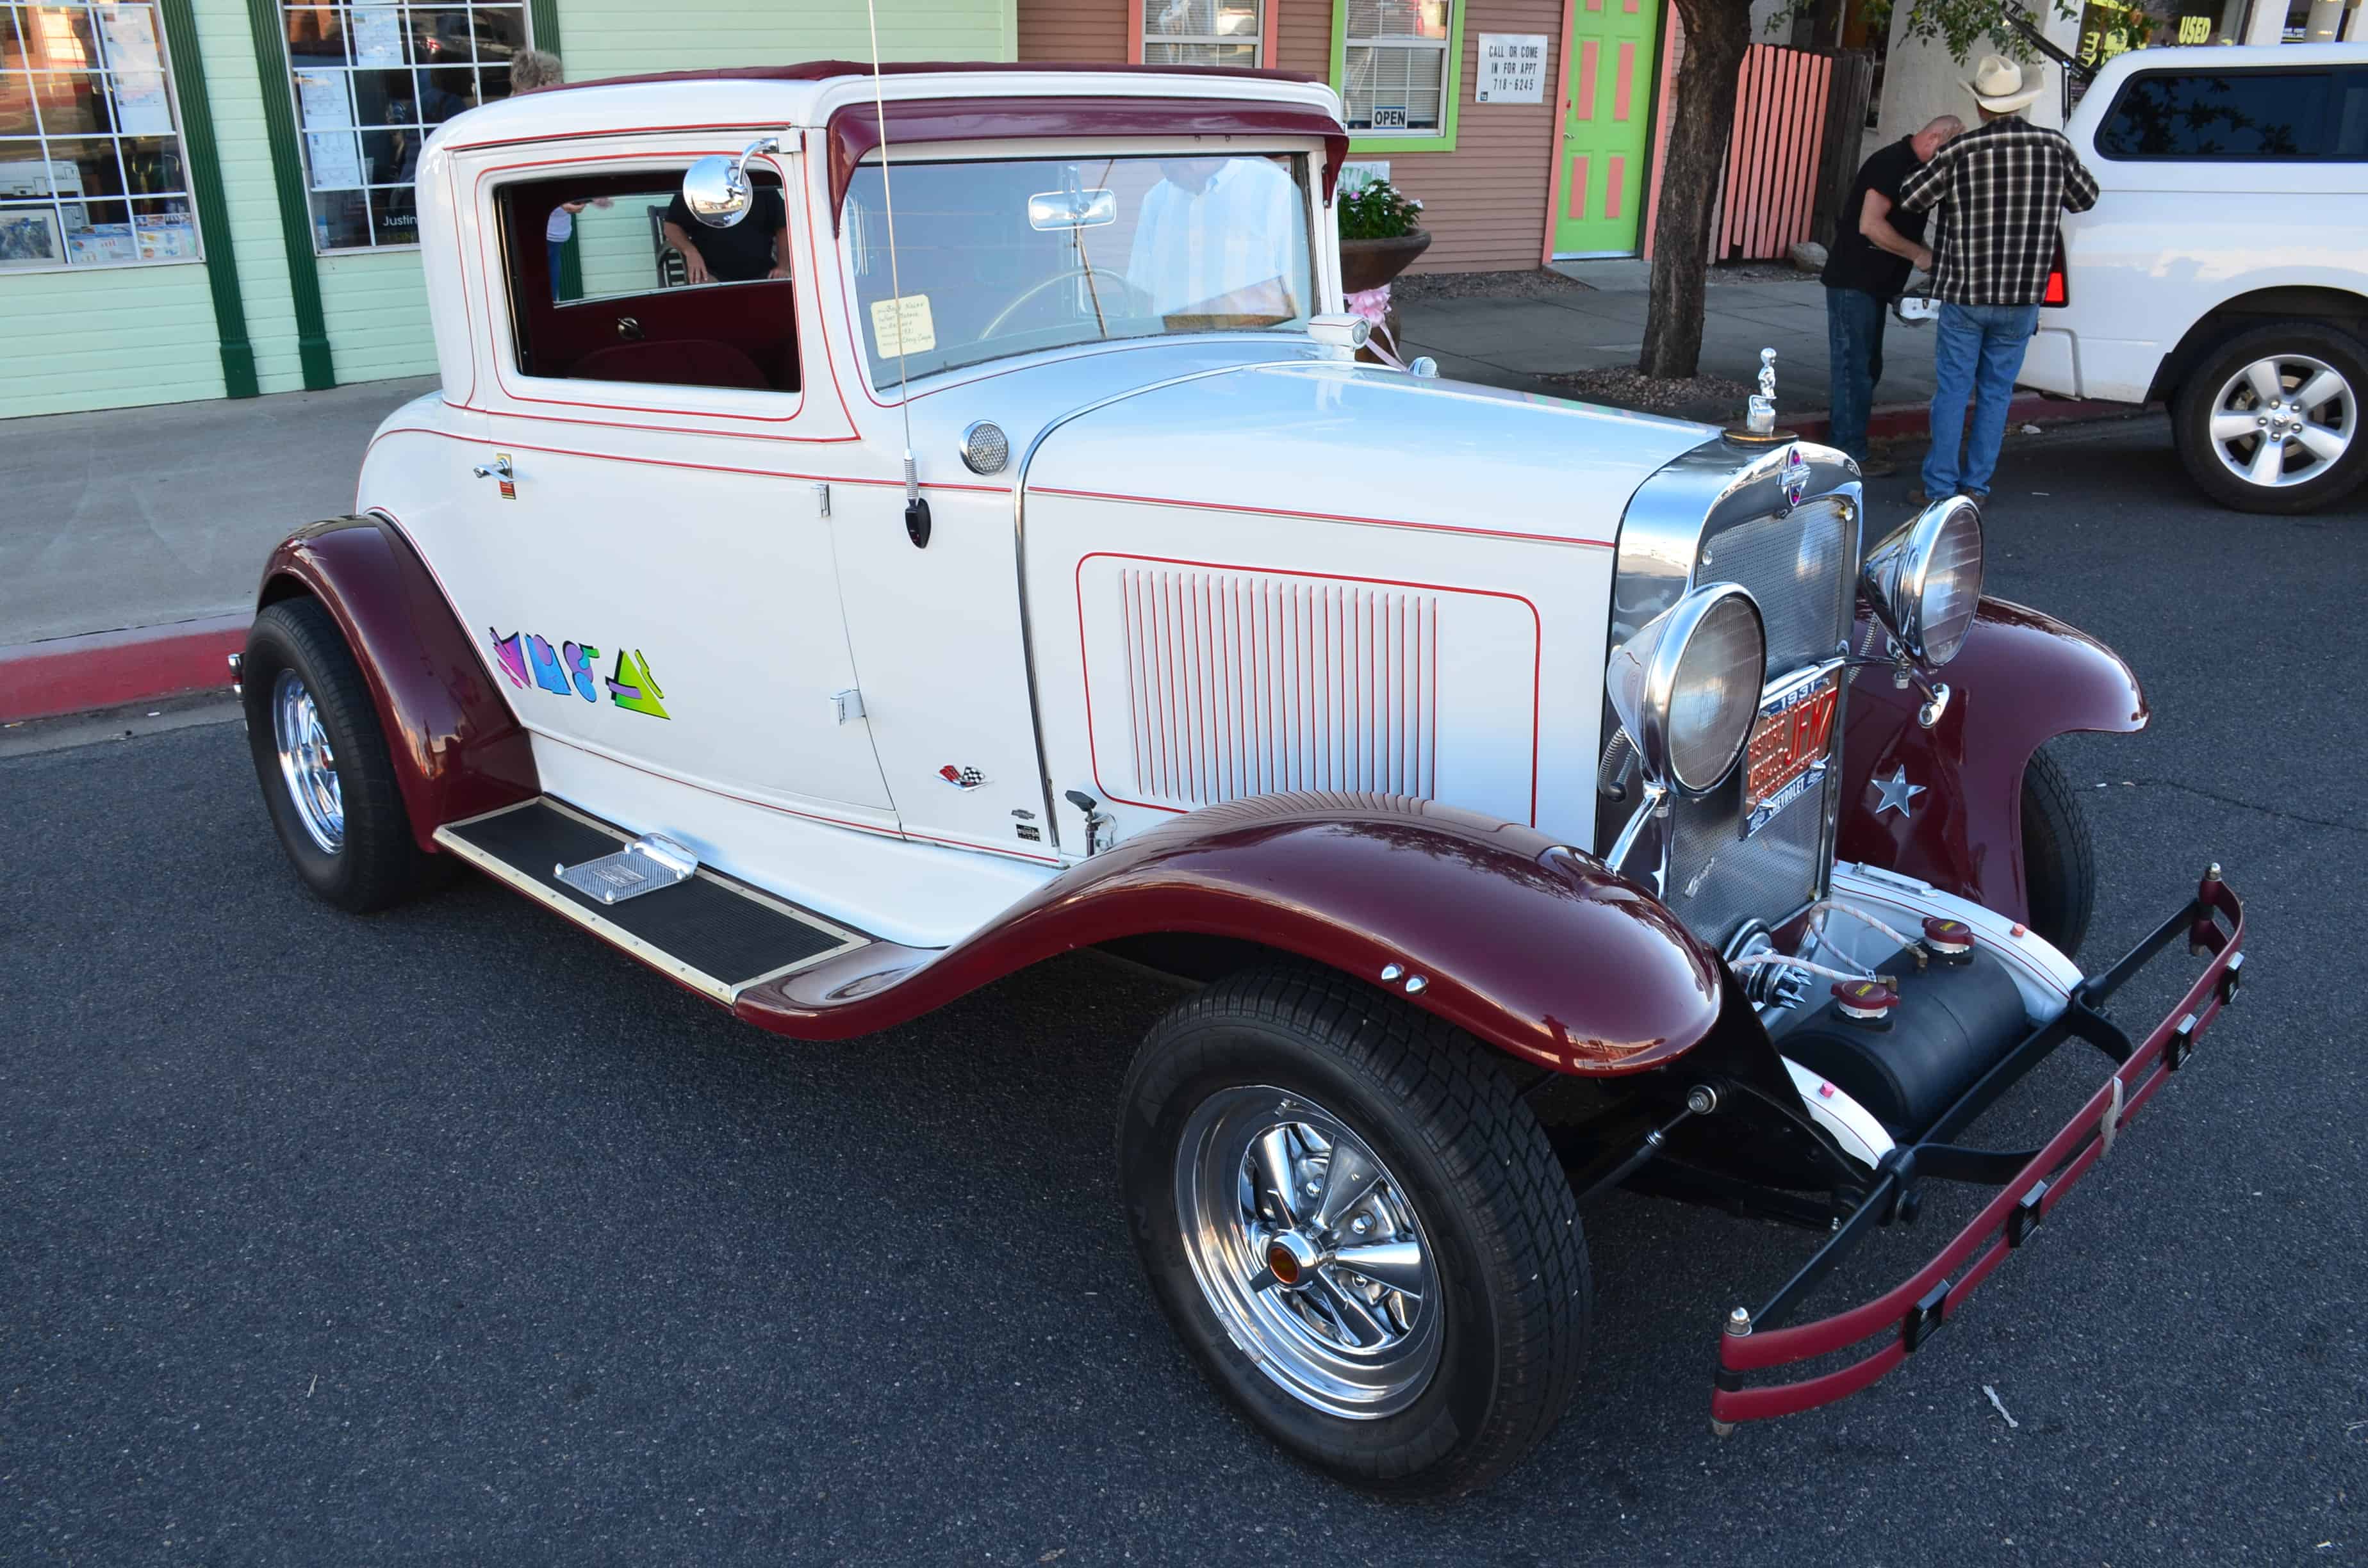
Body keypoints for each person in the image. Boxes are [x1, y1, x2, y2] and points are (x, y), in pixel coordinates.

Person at [1896, 55, 2098, 506]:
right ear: (2021, 104)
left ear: (1981, 106)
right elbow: (2086, 198)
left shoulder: (1960, 151)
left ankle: (1940, 487)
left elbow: (1911, 198)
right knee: (1996, 393)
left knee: (1952, 390)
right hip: (2022, 294)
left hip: (1966, 292)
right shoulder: (2055, 147)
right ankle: (1977, 486)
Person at [1820, 115, 1961, 475]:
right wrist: (1918, 255)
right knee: (1855, 368)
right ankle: (1849, 451)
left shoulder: (1911, 165)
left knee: (1866, 366)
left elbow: (1902, 226)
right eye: (1950, 152)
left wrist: (1926, 254)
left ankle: (1853, 441)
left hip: (1875, 282)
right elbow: (1871, 225)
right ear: (1935, 139)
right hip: (1855, 280)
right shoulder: (1891, 163)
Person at [1124, 156, 1305, 320]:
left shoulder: (1274, 190)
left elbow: (1298, 286)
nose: (1161, 166)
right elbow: (1142, 291)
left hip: (1254, 344)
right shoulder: (1157, 199)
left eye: (1164, 160)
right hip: (1174, 344)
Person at [662, 181, 789, 286]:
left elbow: (783, 226)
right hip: (711, 274)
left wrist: (783, 266)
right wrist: (690, 251)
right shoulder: (696, 185)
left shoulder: (757, 182)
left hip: (763, 274)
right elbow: (671, 227)